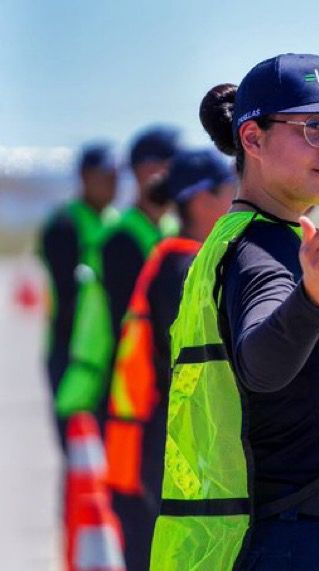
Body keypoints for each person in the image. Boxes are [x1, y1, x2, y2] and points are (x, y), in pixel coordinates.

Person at [150, 53, 319, 571]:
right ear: (252, 138)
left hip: (287, 535)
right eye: (315, 127)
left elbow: (286, 415)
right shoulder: (261, 253)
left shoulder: (260, 240)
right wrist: (313, 297)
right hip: (290, 543)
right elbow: (263, 366)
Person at [104, 149, 236, 571]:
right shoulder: (185, 270)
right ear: (202, 200)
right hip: (172, 447)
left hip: (157, 439)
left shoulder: (169, 258)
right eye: (229, 188)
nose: (237, 196)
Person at [55, 126, 181, 424]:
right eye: (174, 162)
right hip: (122, 387)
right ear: (149, 170)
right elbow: (121, 323)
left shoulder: (171, 229)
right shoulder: (118, 239)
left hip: (156, 384)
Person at [39, 143, 118, 452]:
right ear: (84, 176)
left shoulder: (118, 222)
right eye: (104, 174)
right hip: (70, 348)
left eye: (115, 174)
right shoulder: (63, 225)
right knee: (78, 448)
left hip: (108, 348)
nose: (111, 181)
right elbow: (65, 293)